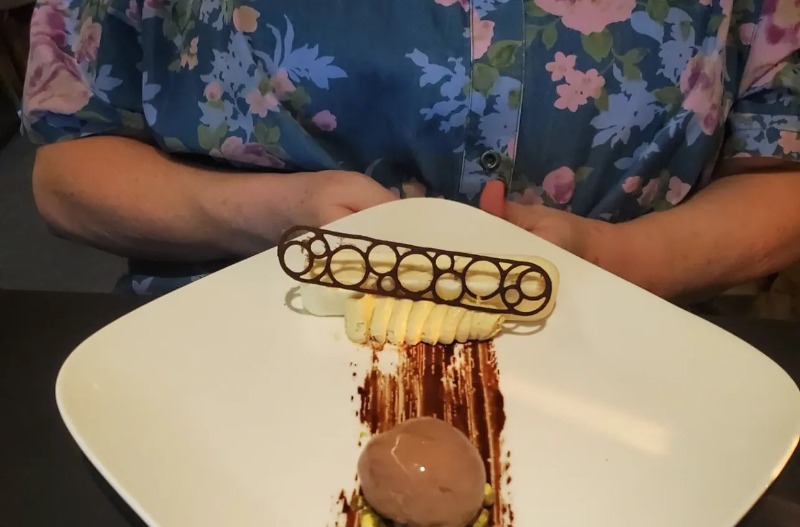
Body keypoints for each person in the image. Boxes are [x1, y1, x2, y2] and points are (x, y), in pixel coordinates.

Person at [21, 0, 800, 299]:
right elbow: (69, 169)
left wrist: (616, 259)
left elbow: (781, 170)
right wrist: (276, 213)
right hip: (231, 363)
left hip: (629, 373)